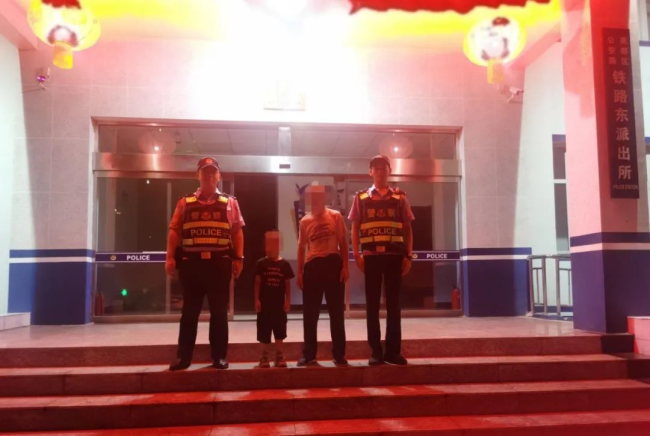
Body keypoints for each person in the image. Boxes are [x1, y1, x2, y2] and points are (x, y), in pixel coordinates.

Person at [166, 157, 245, 371]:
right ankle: (183, 358)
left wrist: (239, 259)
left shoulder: (230, 202)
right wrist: (170, 257)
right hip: (191, 265)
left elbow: (237, 232)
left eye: (213, 172)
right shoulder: (185, 202)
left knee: (219, 313)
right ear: (198, 175)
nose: (209, 175)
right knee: (189, 313)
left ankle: (219, 357)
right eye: (205, 172)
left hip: (219, 265)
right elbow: (174, 231)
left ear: (218, 176)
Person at [348, 155, 415, 366]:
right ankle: (376, 352)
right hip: (371, 258)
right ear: (370, 172)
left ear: (389, 171)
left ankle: (393, 352)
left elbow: (407, 228)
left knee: (394, 306)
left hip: (395, 257)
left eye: (383, 167)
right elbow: (355, 227)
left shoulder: (400, 198)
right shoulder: (360, 198)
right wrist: (356, 255)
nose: (379, 171)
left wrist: (408, 255)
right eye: (375, 168)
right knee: (372, 306)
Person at [296, 184, 350, 367]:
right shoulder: (305, 221)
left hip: (333, 264)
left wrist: (345, 267)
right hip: (312, 266)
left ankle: (339, 355)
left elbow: (343, 243)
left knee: (336, 313)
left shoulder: (335, 216)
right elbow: (301, 248)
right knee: (310, 314)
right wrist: (299, 272)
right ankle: (309, 354)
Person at [254, 230, 294, 368]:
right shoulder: (260, 263)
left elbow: (287, 284)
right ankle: (264, 355)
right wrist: (257, 300)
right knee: (263, 329)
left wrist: (288, 300)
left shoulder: (285, 264)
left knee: (280, 329)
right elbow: (257, 282)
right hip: (265, 304)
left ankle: (279, 354)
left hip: (279, 305)